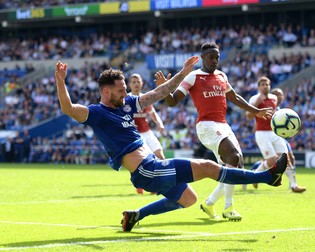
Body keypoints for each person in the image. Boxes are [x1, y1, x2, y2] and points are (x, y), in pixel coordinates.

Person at [54, 56, 288, 232]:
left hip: (152, 166)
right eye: (121, 90)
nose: (126, 93)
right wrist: (60, 81)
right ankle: (268, 177)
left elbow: (159, 92)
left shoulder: (126, 104)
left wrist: (183, 73)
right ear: (106, 91)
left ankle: (136, 215)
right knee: (207, 166)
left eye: (126, 89)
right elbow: (68, 108)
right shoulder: (97, 113)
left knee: (189, 199)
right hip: (146, 169)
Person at [155, 42, 272, 221]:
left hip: (223, 125)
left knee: (236, 165)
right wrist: (165, 88)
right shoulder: (193, 77)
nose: (215, 60)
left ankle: (209, 204)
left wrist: (256, 111)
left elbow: (234, 97)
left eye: (217, 57)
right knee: (233, 157)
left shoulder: (222, 76)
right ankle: (229, 207)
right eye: (211, 57)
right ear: (203, 57)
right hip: (206, 126)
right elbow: (172, 101)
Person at [246, 77, 306, 193]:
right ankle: (255, 176)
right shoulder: (254, 99)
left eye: (267, 84)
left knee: (286, 158)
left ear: (270, 86)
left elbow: (277, 114)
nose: (265, 86)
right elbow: (248, 116)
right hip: (262, 133)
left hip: (275, 132)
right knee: (272, 160)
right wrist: (259, 101)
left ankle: (294, 185)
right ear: (258, 87)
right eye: (262, 84)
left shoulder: (274, 98)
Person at [128, 73, 165, 195]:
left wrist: (159, 123)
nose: (136, 84)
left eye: (138, 81)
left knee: (160, 157)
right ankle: (142, 184)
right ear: (129, 84)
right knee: (142, 162)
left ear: (142, 83)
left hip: (147, 132)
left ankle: (160, 184)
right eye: (133, 82)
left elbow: (152, 113)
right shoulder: (126, 99)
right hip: (135, 135)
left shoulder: (145, 98)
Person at [271, 87, 306, 193]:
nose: (279, 96)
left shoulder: (281, 110)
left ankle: (293, 184)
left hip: (281, 138)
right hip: (272, 138)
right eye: (277, 94)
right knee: (275, 161)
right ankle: (293, 185)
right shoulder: (271, 108)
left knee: (291, 158)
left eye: (281, 94)